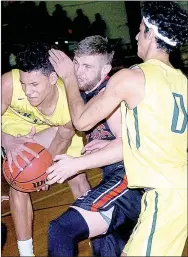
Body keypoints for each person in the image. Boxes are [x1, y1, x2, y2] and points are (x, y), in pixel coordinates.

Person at [48, 2, 188, 256]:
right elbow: (162, 132)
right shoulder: (181, 79)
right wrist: (125, 143)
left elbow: (81, 122)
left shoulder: (132, 77)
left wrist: (69, 76)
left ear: (151, 34)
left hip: (164, 195)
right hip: (174, 190)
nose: (135, 35)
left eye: (140, 29)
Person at [47, 35, 143, 257]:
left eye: (88, 66)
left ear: (105, 69)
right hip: (116, 180)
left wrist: (76, 164)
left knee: (61, 229)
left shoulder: (110, 93)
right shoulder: (85, 94)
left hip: (131, 181)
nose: (79, 71)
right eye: (77, 63)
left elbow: (125, 146)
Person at [1, 42, 90, 257]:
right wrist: (6, 139)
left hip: (57, 130)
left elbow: (62, 137)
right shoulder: (8, 84)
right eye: (24, 84)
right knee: (19, 172)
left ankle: (99, 238)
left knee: (77, 178)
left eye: (34, 84)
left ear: (52, 79)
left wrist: (43, 174)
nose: (28, 91)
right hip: (15, 131)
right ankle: (26, 252)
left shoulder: (70, 106)